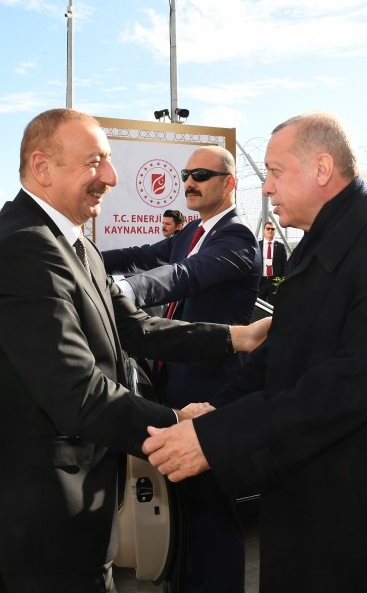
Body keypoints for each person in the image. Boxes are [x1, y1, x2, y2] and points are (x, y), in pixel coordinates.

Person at [143, 112, 367, 593]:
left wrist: (218, 436)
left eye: (274, 171)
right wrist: (216, 409)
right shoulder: (324, 243)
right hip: (316, 501)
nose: (266, 187)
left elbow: (348, 386)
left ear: (322, 168)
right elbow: (280, 354)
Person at [0, 109, 269, 593]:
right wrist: (178, 424)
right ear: (42, 167)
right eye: (95, 162)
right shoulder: (22, 249)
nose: (111, 176)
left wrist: (238, 337)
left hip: (77, 508)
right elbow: (77, 394)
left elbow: (135, 327)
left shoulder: (71, 245)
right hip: (44, 519)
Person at [103, 145, 261, 593]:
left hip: (212, 393)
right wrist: (81, 259)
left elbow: (182, 276)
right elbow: (141, 255)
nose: (189, 182)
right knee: (186, 511)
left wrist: (122, 292)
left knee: (211, 512)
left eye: (202, 175)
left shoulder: (237, 239)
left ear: (229, 183)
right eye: (187, 173)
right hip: (175, 387)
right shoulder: (191, 232)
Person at [257, 220, 287, 304]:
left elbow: (284, 265)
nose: (270, 230)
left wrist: (283, 282)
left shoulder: (281, 247)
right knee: (259, 306)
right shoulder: (257, 245)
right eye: (268, 229)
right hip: (261, 281)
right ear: (264, 230)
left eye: (272, 229)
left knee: (273, 306)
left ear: (275, 231)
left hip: (274, 281)